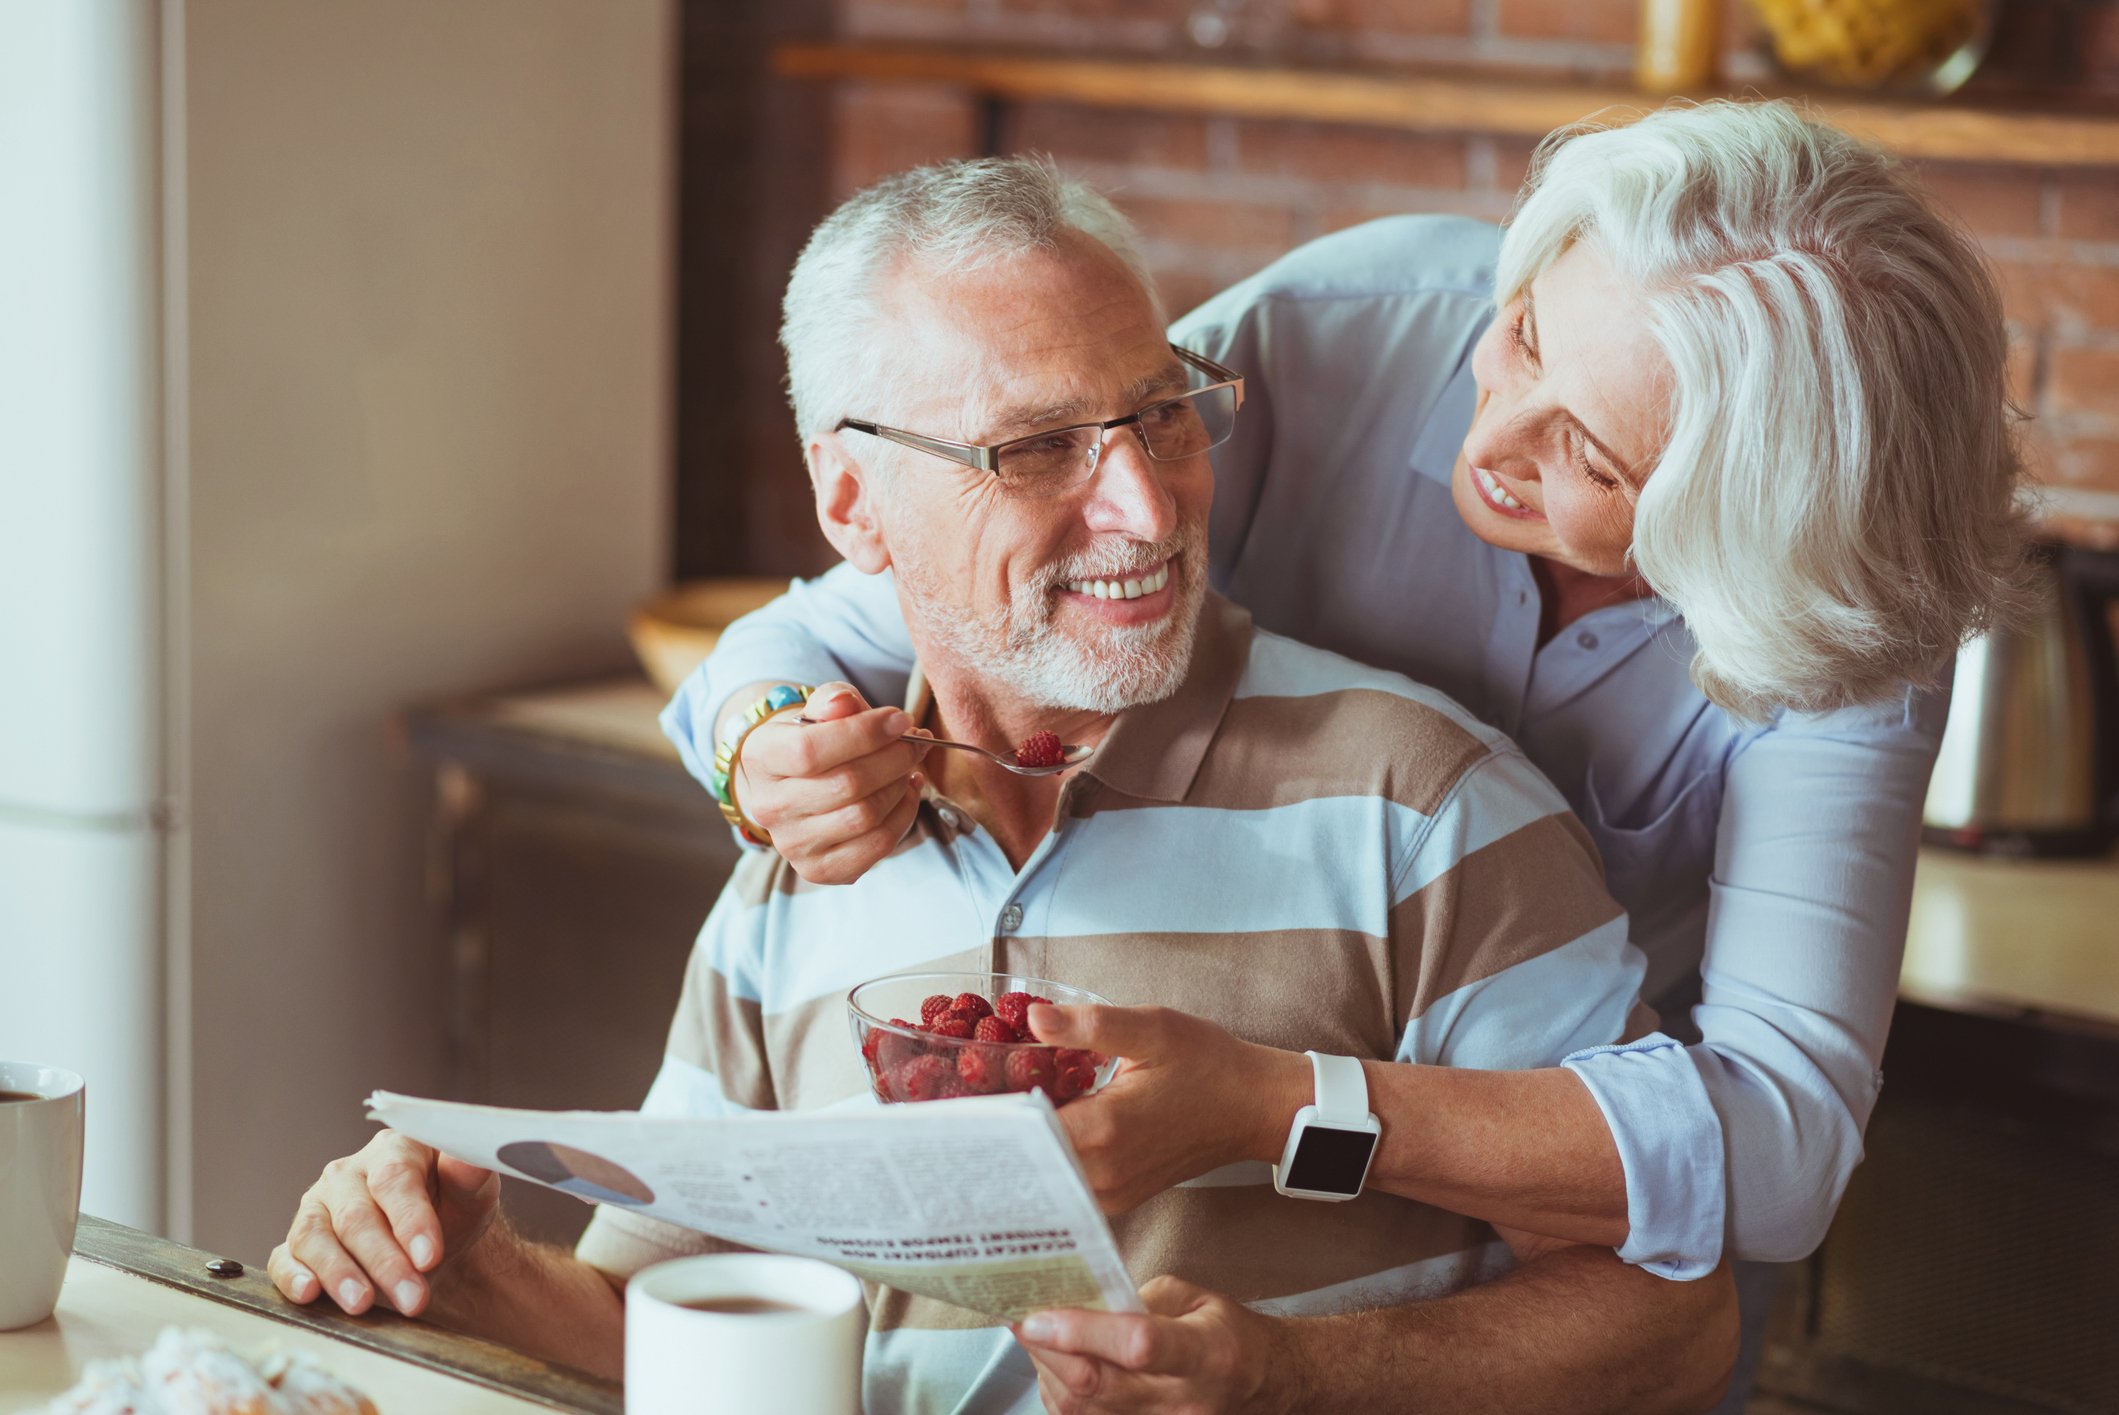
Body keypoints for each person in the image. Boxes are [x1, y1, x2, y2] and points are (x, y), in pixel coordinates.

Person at [267, 156, 1739, 1414]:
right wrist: (472, 1275)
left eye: (1163, 412)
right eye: (1036, 448)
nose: (1147, 506)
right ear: (851, 501)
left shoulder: (1422, 807)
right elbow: (677, 1342)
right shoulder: (798, 861)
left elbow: (1679, 1323)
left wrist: (1290, 1379)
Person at [677, 99, 2035, 1405]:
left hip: (1584, 1232)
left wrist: (1276, 1106)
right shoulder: (1334, 337)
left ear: (1751, 529)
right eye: (1521, 340)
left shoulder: (1844, 611)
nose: (1490, 436)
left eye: (1595, 458)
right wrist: (758, 739)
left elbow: (1782, 1154)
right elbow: (930, 558)